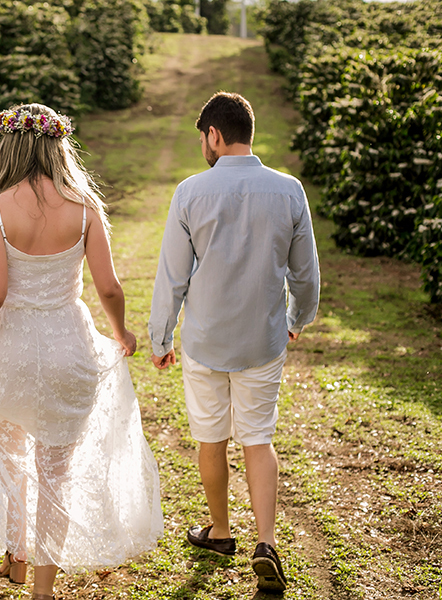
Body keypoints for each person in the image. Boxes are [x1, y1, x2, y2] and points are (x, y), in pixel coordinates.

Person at [0, 104, 163, 600]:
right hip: (67, 348)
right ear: (59, 147)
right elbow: (110, 288)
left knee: (10, 451)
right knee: (58, 471)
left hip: (7, 349)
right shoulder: (85, 206)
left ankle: (17, 550)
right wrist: (122, 332)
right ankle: (43, 592)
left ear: (8, 148)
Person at [148, 91, 320, 593]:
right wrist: (297, 318)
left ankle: (221, 532)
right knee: (258, 438)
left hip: (204, 341)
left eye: (204, 137)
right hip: (263, 340)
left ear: (214, 136)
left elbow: (171, 277)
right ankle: (266, 542)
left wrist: (161, 338)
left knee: (211, 438)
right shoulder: (289, 190)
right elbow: (305, 274)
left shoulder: (189, 192)